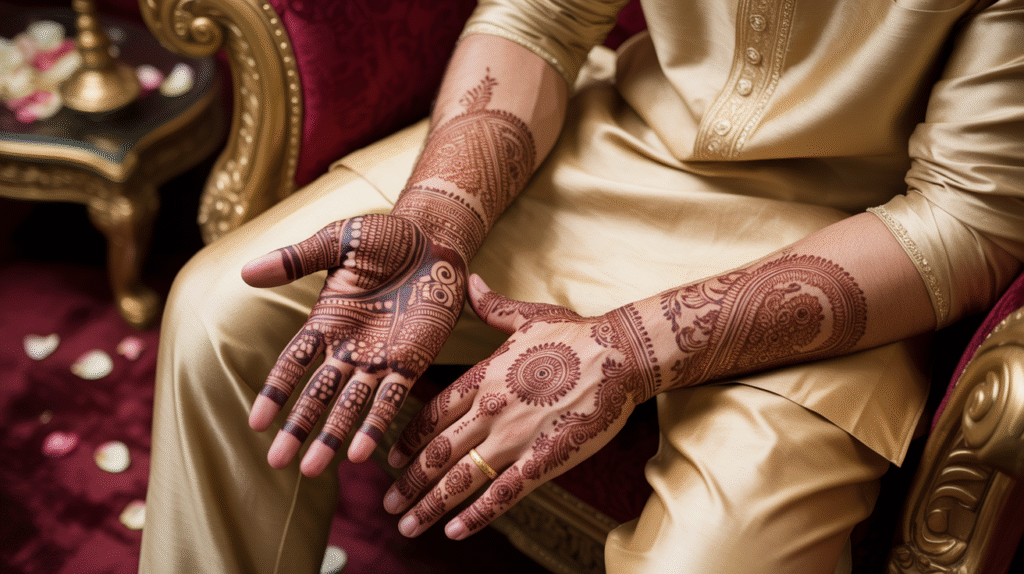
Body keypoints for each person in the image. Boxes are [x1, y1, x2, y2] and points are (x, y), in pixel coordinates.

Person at [138, 0, 1024, 572]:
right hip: (616, 145)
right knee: (223, 311)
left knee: (718, 561)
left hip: (854, 244)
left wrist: (627, 348)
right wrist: (440, 225)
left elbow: (968, 217)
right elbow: (540, 20)